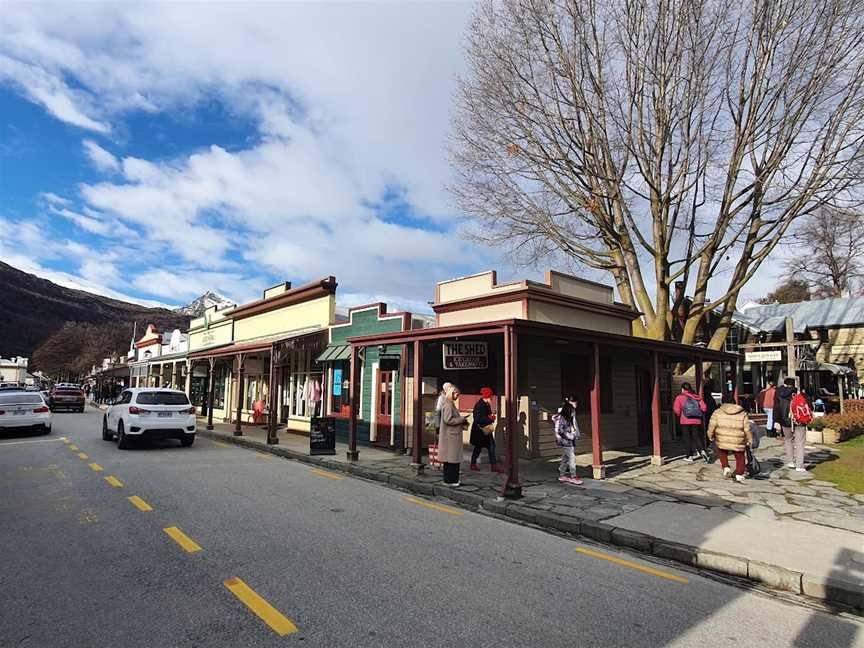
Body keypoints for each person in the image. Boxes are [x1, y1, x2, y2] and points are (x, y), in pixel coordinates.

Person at [707, 396, 753, 483]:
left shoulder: (717, 412)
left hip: (722, 437)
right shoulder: (742, 413)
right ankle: (739, 473)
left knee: (722, 452)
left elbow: (712, 425)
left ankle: (726, 467)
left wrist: (710, 435)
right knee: (739, 455)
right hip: (738, 438)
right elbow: (747, 428)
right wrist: (750, 439)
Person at [438, 383, 469, 486]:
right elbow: (447, 420)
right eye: (457, 394)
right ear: (452, 393)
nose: (458, 396)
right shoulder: (448, 404)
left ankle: (450, 480)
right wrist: (461, 419)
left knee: (451, 460)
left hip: (451, 436)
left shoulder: (448, 403)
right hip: (450, 437)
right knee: (452, 460)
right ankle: (451, 480)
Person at [775, 378, 808, 471]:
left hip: (785, 420)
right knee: (800, 442)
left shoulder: (779, 394)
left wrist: (776, 421)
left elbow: (776, 408)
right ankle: (799, 465)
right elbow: (808, 406)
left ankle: (790, 461)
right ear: (794, 384)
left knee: (788, 440)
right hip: (799, 420)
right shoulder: (800, 393)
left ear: (784, 384)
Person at [673, 382, 709, 462]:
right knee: (696, 437)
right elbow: (704, 408)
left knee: (687, 438)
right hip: (696, 421)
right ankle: (702, 450)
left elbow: (677, 410)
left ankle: (689, 456)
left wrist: (679, 415)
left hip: (685, 421)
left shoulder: (679, 397)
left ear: (682, 389)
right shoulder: (696, 397)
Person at [470, 387, 501, 472]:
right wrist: (489, 418)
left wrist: (491, 417)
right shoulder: (479, 405)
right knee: (478, 448)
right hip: (480, 431)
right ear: (487, 397)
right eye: (491, 397)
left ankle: (493, 465)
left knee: (491, 447)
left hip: (486, 431)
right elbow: (477, 419)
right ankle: (473, 464)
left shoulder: (487, 405)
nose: (491, 398)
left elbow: (487, 416)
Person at [553, 396, 583, 485]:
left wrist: (575, 435)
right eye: (572, 411)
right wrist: (570, 436)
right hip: (566, 440)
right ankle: (573, 476)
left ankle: (562, 474)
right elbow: (560, 430)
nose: (574, 413)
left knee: (566, 457)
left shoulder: (567, 418)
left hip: (568, 440)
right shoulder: (563, 418)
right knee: (571, 457)